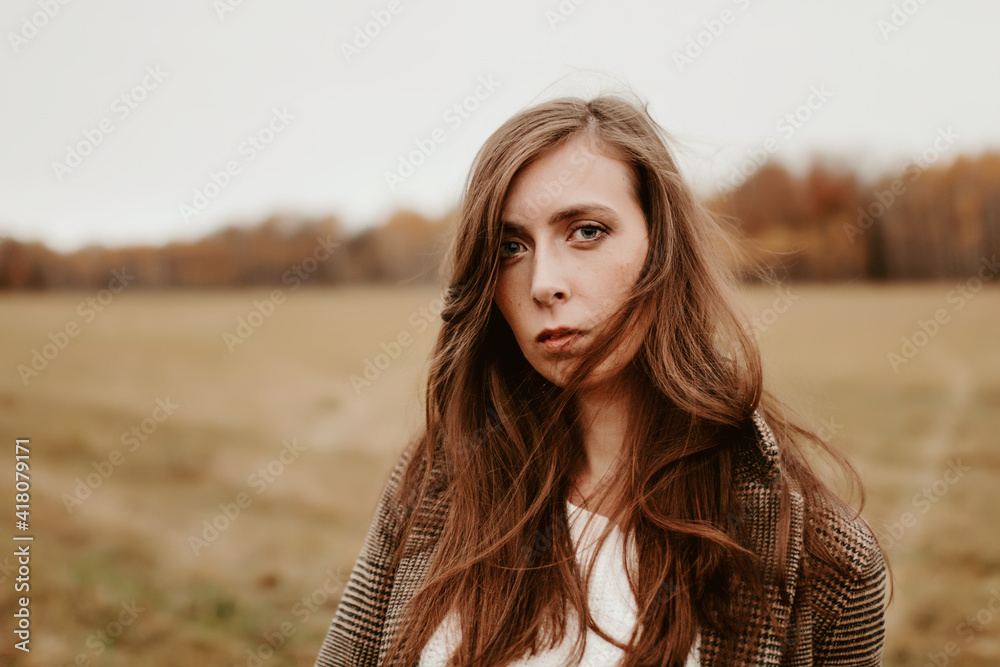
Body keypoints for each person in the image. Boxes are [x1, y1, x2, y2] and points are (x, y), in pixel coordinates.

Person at [314, 93, 890, 667]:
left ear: (661, 248)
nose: (544, 282)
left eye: (586, 231)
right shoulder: (438, 482)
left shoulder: (822, 556)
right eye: (512, 247)